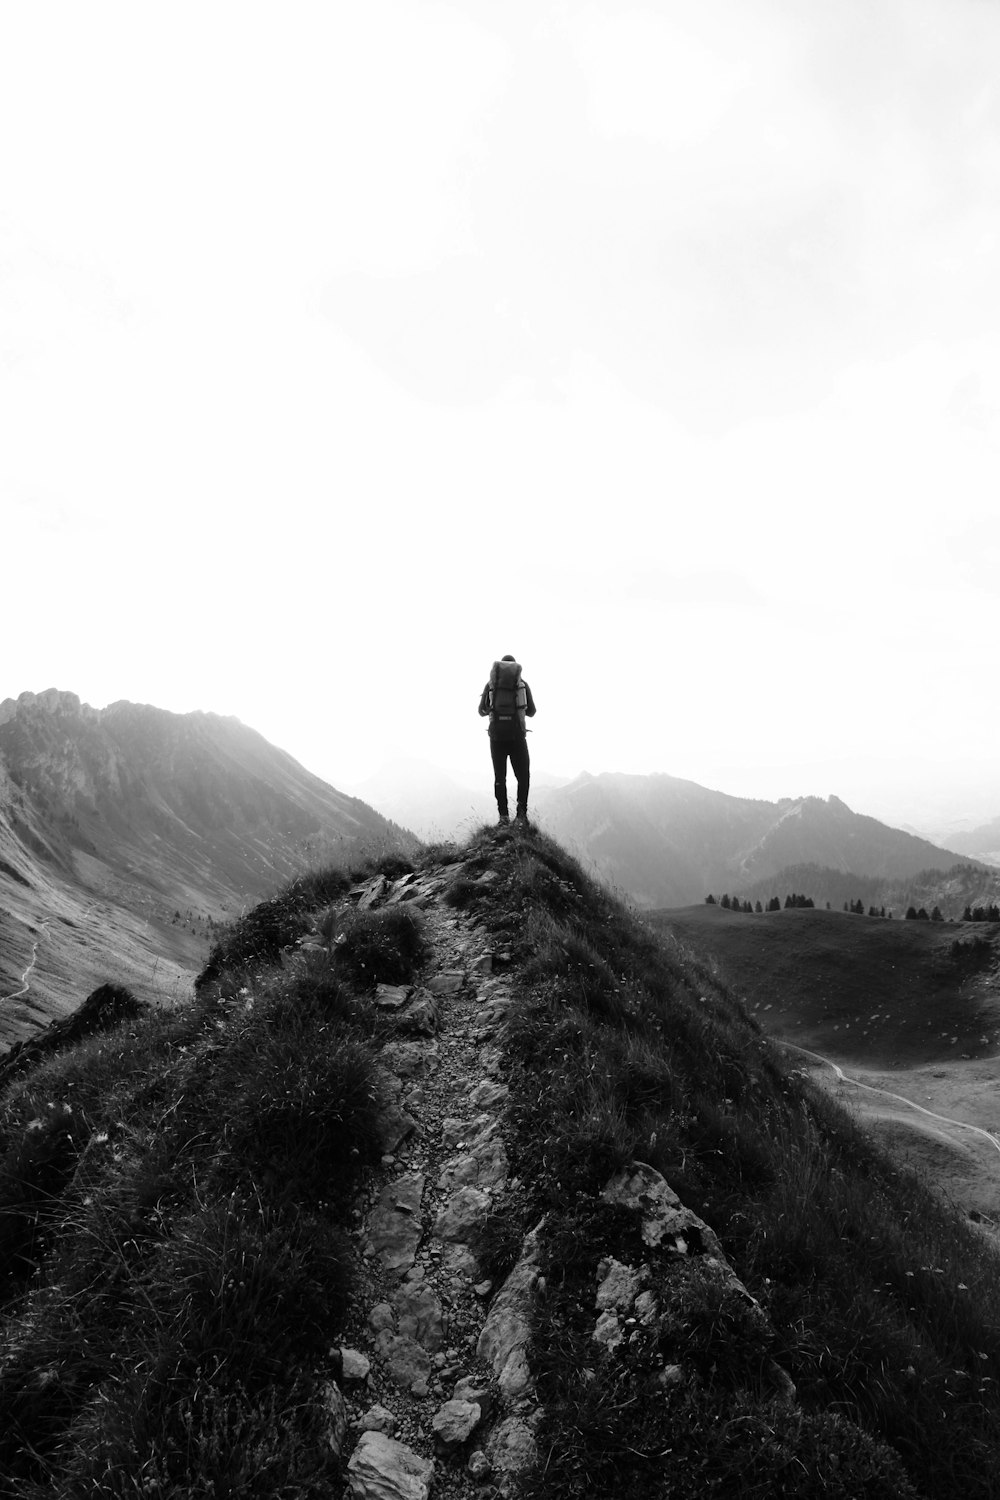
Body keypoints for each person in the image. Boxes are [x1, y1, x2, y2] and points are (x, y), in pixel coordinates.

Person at [478, 655, 536, 827]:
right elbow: (532, 711)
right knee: (523, 775)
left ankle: (503, 817)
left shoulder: (491, 685)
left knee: (500, 777)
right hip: (517, 736)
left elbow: (481, 711)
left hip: (496, 738)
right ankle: (521, 815)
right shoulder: (522, 685)